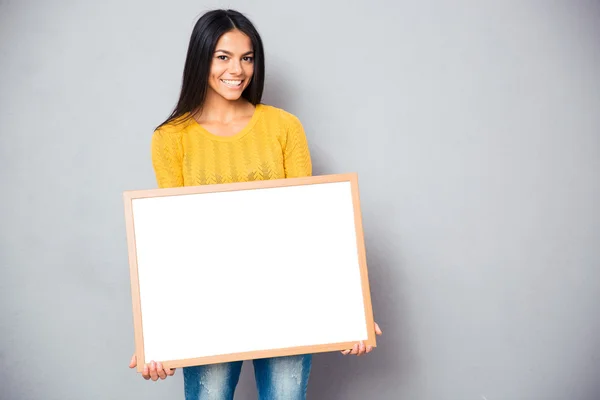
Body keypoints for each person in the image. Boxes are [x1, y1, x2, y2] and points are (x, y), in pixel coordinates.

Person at [128, 8, 382, 400]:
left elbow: (309, 225)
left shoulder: (284, 127)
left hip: (287, 301)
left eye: (247, 57)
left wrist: (352, 310)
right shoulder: (170, 137)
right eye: (223, 56)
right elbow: (171, 239)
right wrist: (156, 335)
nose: (238, 69)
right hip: (208, 305)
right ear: (201, 59)